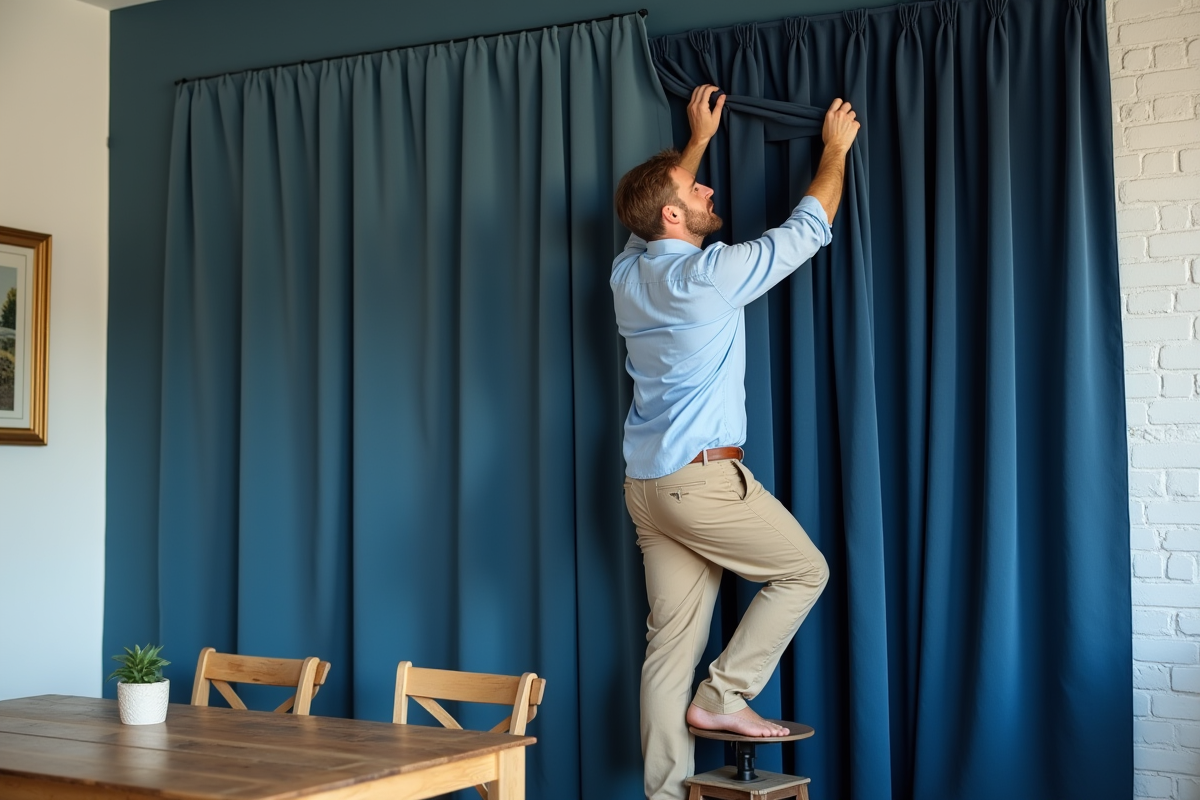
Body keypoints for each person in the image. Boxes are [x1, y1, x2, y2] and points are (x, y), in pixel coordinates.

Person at [610, 85, 860, 800]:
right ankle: (724, 694)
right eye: (697, 188)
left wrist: (695, 143)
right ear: (672, 214)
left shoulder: (627, 276)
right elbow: (810, 226)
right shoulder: (708, 276)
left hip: (646, 489)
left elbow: (651, 220)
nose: (709, 188)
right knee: (804, 572)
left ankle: (665, 795)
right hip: (700, 484)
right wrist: (836, 151)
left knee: (668, 651)